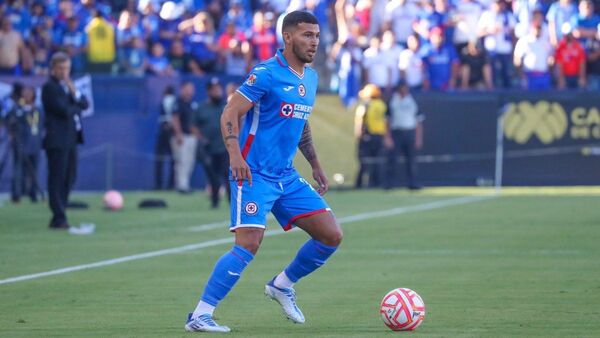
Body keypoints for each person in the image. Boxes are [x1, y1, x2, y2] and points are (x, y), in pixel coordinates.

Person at [184, 11, 343, 333]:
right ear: (287, 37)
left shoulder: (309, 78)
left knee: (330, 235)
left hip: (285, 175)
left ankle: (282, 285)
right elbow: (230, 111)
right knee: (249, 243)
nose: (314, 42)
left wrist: (314, 164)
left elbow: (300, 123)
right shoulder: (266, 74)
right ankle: (200, 315)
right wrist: (234, 156)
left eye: (316, 35)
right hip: (253, 173)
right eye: (306, 35)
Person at [42, 52, 88, 229]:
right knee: (57, 178)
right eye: (60, 68)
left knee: (70, 177)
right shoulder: (50, 87)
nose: (64, 72)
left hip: (71, 139)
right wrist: (75, 106)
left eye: (67, 68)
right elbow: (64, 111)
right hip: (57, 139)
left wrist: (75, 95)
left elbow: (85, 104)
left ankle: (62, 211)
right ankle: (58, 216)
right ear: (53, 69)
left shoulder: (69, 87)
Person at [191, 77, 229, 209]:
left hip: (226, 147)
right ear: (208, 91)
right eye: (214, 90)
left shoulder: (227, 106)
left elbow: (238, 121)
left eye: (218, 89)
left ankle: (232, 202)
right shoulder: (201, 108)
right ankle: (215, 202)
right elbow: (193, 126)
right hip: (209, 148)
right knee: (213, 177)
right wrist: (201, 138)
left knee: (229, 176)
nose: (217, 92)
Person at [5, 86, 44, 203]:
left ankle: (33, 193)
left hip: (35, 143)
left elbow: (42, 124)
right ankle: (17, 194)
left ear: (34, 95)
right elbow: (9, 119)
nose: (27, 95)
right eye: (25, 93)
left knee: (34, 170)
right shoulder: (17, 108)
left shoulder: (38, 109)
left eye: (29, 93)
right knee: (18, 170)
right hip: (21, 143)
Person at [384, 81, 424, 190]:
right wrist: (387, 136)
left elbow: (419, 121)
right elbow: (387, 120)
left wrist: (418, 138)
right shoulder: (393, 101)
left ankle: (413, 183)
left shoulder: (412, 101)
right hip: (396, 132)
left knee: (411, 160)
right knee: (393, 160)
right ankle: (389, 183)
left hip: (409, 132)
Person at [354, 84, 389, 189]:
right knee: (377, 161)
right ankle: (375, 184)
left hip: (367, 137)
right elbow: (386, 121)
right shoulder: (382, 105)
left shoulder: (365, 105)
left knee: (364, 162)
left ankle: (359, 185)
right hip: (379, 136)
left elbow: (361, 121)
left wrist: (359, 134)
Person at [171, 81, 199, 194]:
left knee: (190, 161)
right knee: (181, 161)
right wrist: (178, 134)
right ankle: (181, 186)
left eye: (191, 88)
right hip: (182, 136)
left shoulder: (192, 103)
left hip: (191, 136)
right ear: (182, 89)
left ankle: (185, 184)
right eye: (187, 88)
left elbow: (194, 121)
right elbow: (175, 119)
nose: (190, 91)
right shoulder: (178, 102)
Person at [154, 86, 175, 190]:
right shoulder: (174, 100)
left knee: (159, 159)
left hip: (165, 130)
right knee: (173, 160)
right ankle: (171, 185)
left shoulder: (166, 100)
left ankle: (159, 185)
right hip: (172, 131)